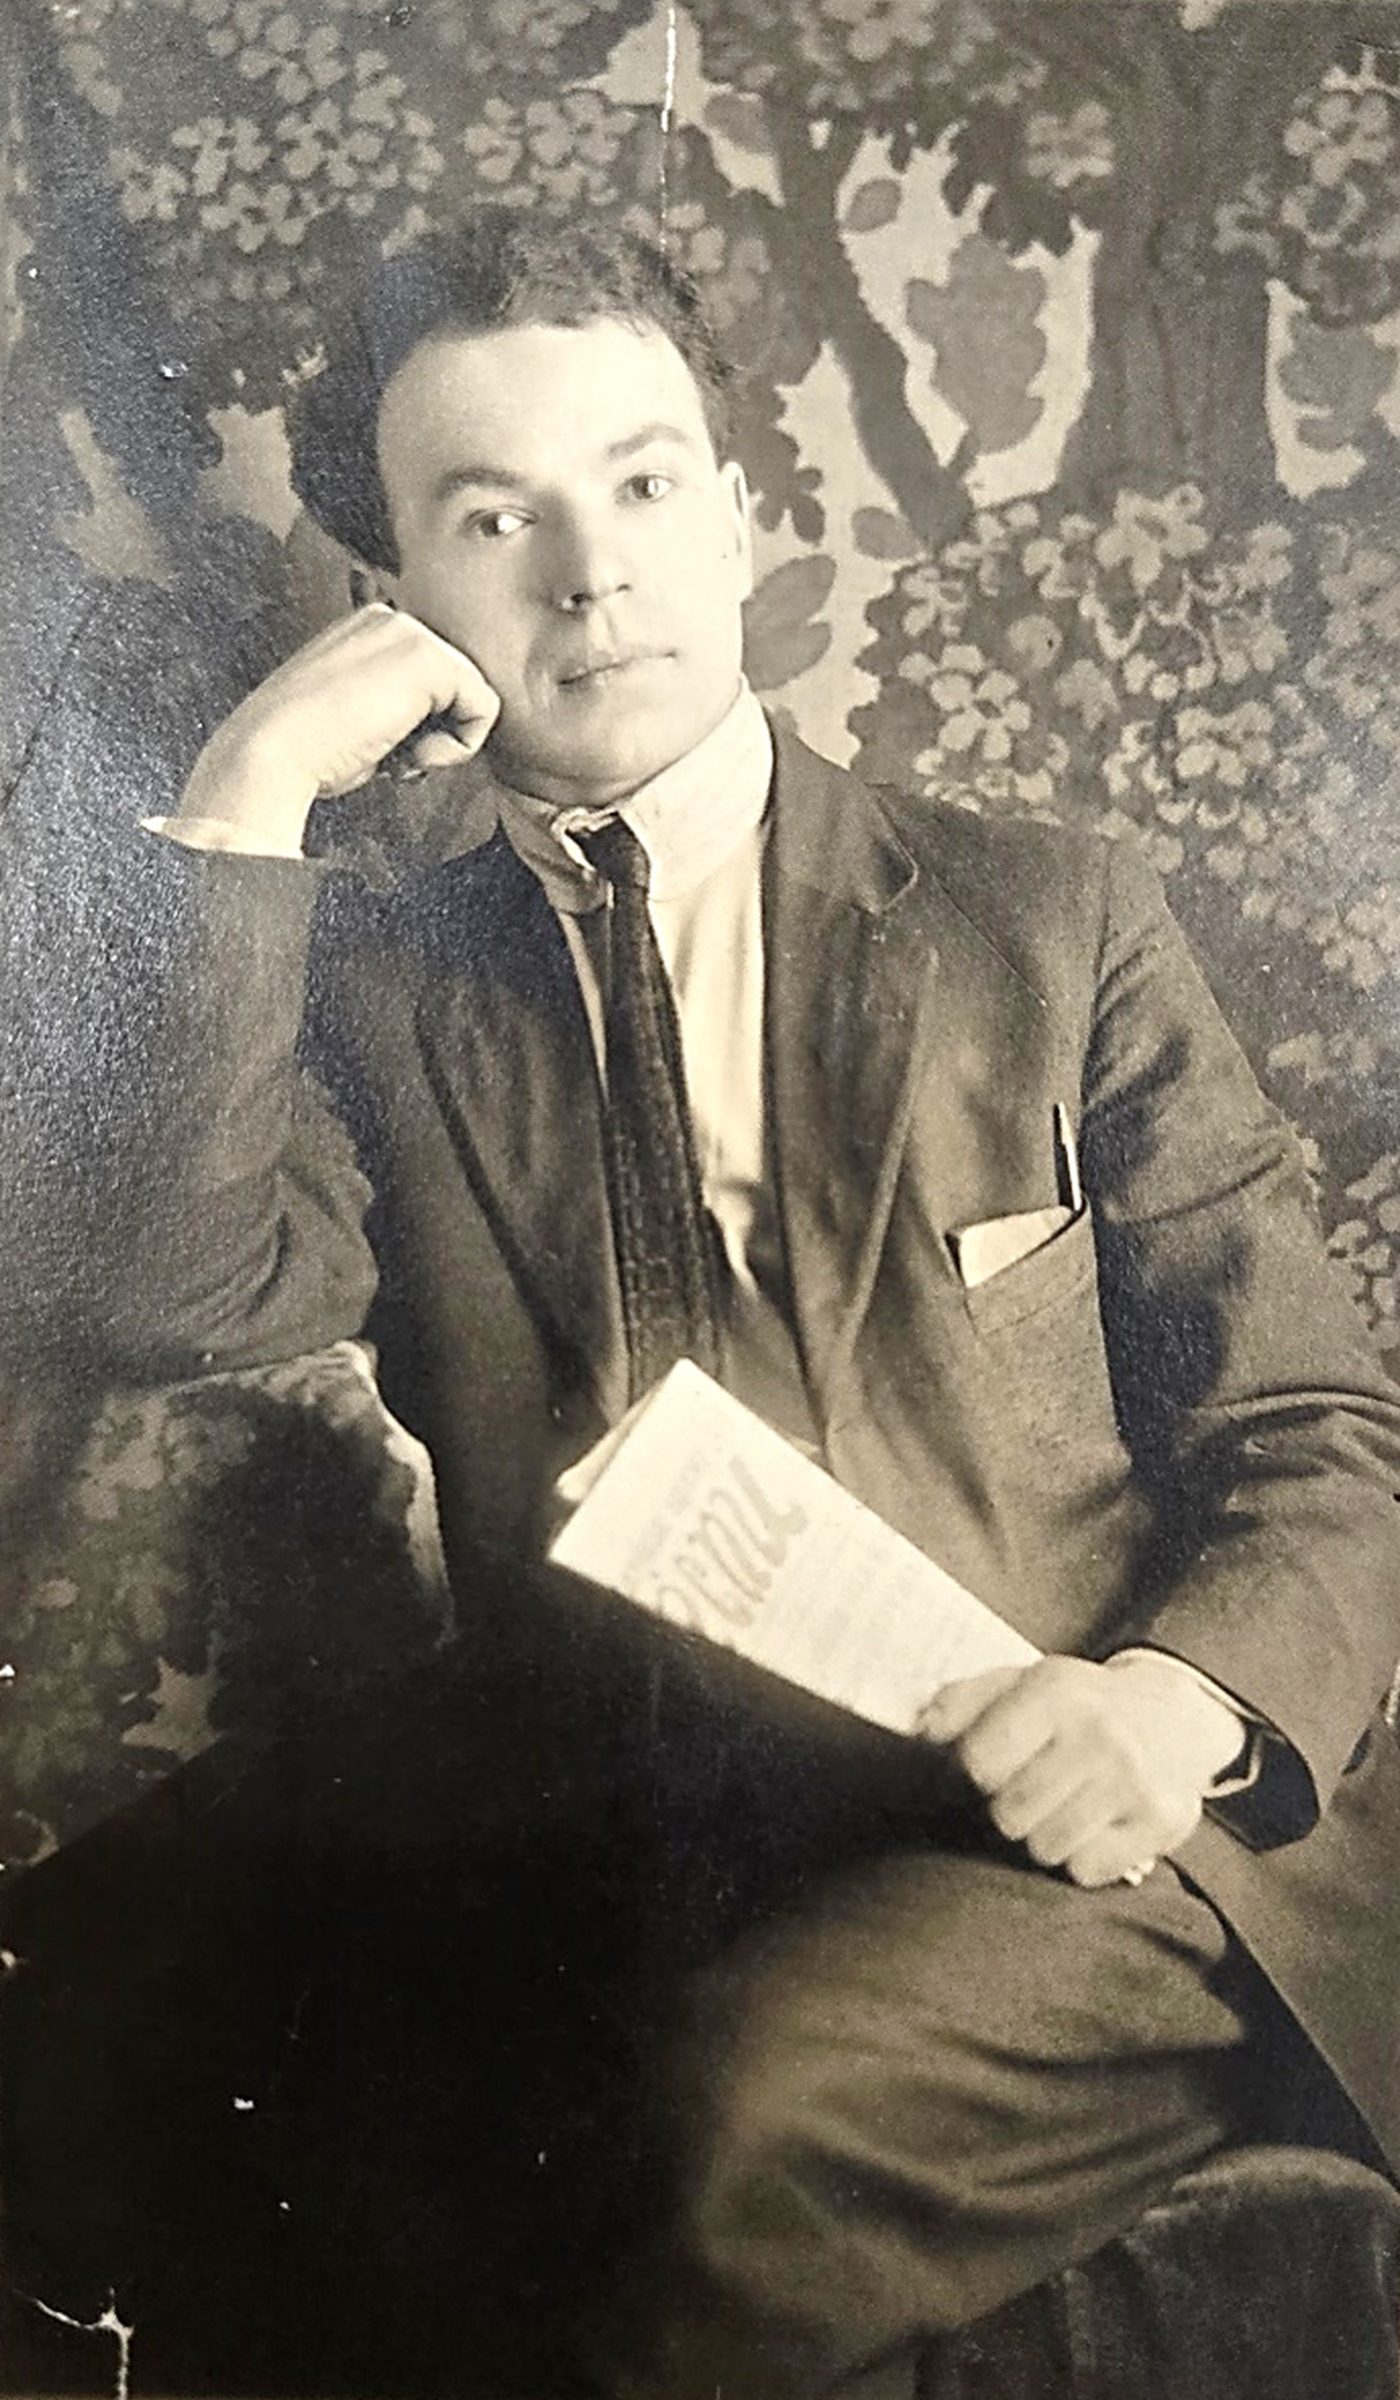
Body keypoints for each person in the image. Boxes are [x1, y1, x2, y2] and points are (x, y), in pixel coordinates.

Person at [85, 208, 1400, 2397]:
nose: (589, 574)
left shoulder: (1038, 923)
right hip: (628, 1799)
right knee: (108, 2027)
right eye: (492, 517)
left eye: (643, 481)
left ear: (736, 508)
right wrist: (245, 808)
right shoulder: (388, 974)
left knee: (715, 2136)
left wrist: (1164, 1703)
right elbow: (172, 1289)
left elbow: (1319, 1432)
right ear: (399, 587)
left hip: (1078, 1829)